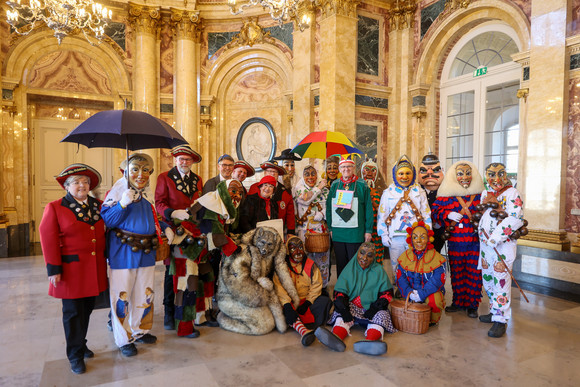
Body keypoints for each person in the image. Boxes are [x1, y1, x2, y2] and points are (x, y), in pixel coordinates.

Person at [39, 164, 108, 374]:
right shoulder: (55, 207)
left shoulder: (99, 205)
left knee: (87, 310)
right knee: (72, 313)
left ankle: (81, 343)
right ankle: (74, 355)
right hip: (71, 271)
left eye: (85, 182)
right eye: (76, 182)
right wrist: (53, 269)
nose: (82, 185)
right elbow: (47, 238)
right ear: (67, 186)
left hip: (94, 268)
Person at [102, 153, 164, 357]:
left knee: (145, 292)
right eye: (135, 169)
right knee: (122, 295)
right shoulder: (118, 191)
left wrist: (165, 227)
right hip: (123, 252)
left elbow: (151, 217)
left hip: (146, 251)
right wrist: (122, 204)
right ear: (125, 171)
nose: (141, 174)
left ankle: (140, 329)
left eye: (146, 170)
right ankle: (123, 338)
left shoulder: (145, 194)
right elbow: (107, 220)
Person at [169, 179, 242, 337]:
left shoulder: (220, 204)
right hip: (186, 251)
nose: (237, 195)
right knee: (187, 287)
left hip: (201, 252)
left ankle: (202, 317)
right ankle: (184, 327)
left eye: (240, 193)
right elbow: (216, 235)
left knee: (208, 279)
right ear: (224, 189)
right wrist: (234, 249)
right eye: (234, 190)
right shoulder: (210, 202)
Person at [315, 242, 395, 356]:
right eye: (361, 253)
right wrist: (344, 310)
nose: (364, 258)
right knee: (339, 315)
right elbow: (340, 292)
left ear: (374, 257)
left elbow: (387, 294)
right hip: (352, 307)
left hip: (372, 309)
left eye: (369, 255)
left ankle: (371, 341)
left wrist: (374, 308)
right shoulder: (349, 268)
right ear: (357, 253)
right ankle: (336, 337)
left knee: (383, 315)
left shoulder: (379, 271)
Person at [154, 145, 203, 330]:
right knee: (171, 272)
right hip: (173, 230)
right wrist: (173, 212)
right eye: (181, 159)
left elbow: (199, 201)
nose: (184, 162)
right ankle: (169, 311)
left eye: (188, 160)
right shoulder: (164, 178)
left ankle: (186, 310)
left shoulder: (197, 180)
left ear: (192, 162)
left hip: (192, 231)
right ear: (175, 160)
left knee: (189, 272)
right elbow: (158, 203)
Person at [477, 162, 524, 338]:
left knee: (501, 281)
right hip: (485, 246)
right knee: (487, 279)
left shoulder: (513, 193)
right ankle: (494, 310)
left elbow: (516, 219)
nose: (496, 179)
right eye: (491, 174)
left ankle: (501, 319)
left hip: (502, 246)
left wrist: (495, 237)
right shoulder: (485, 192)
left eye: (500, 174)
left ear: (506, 175)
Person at [432, 161, 484, 318]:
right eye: (460, 174)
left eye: (468, 173)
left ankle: (472, 305)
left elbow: (489, 212)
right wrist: (446, 215)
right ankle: (459, 301)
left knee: (474, 273)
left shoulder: (481, 195)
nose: (465, 177)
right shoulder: (447, 195)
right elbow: (434, 211)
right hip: (455, 241)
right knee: (456, 272)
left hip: (475, 241)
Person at [377, 155, 432, 282]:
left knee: (416, 263)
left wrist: (428, 234)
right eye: (401, 173)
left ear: (413, 174)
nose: (405, 177)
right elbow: (382, 215)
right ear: (395, 175)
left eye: (408, 173)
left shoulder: (419, 191)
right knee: (397, 264)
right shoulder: (388, 192)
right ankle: (399, 288)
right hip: (395, 237)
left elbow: (426, 214)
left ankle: (415, 288)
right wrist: (383, 235)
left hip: (416, 237)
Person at [274, 236, 332, 346]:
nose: (298, 252)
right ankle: (303, 330)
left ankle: (300, 324)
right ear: (287, 251)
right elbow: (278, 287)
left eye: (300, 247)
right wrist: (286, 304)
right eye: (293, 249)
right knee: (278, 307)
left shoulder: (310, 264)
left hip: (306, 302)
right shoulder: (282, 267)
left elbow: (316, 285)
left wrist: (308, 302)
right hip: (289, 302)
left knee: (325, 301)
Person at [326, 156, 373, 278]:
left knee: (356, 264)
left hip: (356, 233)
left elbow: (368, 208)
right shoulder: (335, 185)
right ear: (340, 169)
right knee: (341, 264)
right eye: (343, 167)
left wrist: (368, 230)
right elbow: (329, 208)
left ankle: (355, 292)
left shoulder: (362, 185)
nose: (346, 169)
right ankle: (341, 291)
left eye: (349, 166)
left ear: (353, 168)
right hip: (338, 232)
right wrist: (330, 228)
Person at [396, 221, 446, 325]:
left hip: (428, 292)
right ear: (411, 240)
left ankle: (431, 321)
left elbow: (437, 280)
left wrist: (421, 294)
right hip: (410, 293)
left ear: (428, 239)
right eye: (415, 237)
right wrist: (409, 293)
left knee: (435, 301)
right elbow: (400, 278)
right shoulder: (404, 257)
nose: (418, 240)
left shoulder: (437, 258)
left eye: (422, 237)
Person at [293, 165, 330, 290]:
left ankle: (323, 287)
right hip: (304, 230)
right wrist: (318, 188)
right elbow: (306, 199)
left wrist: (323, 213)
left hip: (321, 230)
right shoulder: (299, 187)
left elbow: (330, 203)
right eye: (307, 174)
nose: (310, 177)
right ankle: (308, 286)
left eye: (313, 174)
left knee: (323, 261)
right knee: (306, 259)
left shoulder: (325, 188)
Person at [248, 160, 296, 235]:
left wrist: (291, 232)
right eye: (270, 171)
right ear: (264, 173)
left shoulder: (286, 192)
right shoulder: (254, 187)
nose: (273, 173)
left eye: (275, 172)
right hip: (256, 232)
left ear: (278, 175)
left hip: (278, 233)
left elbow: (290, 214)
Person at [417, 153, 445, 252]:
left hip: (439, 232)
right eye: (424, 170)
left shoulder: (446, 191)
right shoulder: (415, 191)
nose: (429, 173)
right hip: (419, 231)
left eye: (436, 170)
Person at [361, 157, 386, 265]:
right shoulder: (359, 188)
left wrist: (375, 204)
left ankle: (377, 275)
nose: (370, 173)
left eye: (373, 170)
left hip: (377, 227)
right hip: (363, 227)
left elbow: (385, 210)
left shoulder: (383, 190)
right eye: (367, 169)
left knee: (377, 252)